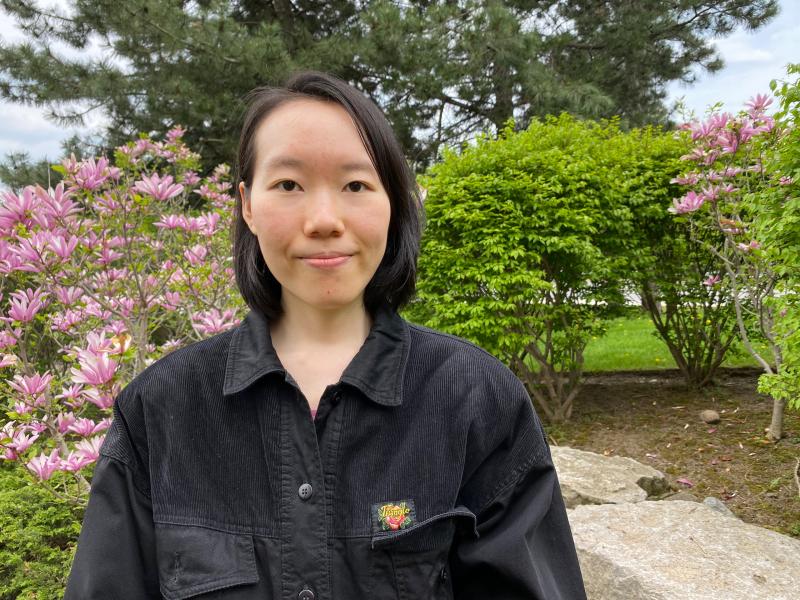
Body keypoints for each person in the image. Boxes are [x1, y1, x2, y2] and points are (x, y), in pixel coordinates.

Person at [65, 71, 587, 599]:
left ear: (394, 202)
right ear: (247, 204)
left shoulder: (478, 400)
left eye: (356, 185)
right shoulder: (160, 410)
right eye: (288, 185)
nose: (323, 219)